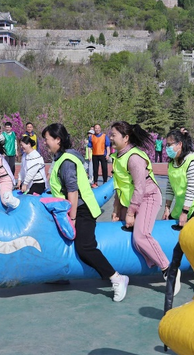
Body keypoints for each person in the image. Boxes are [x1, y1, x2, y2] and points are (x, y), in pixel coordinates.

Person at [42, 123, 129, 301]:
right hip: (69, 209)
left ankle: (117, 278)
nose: (45, 142)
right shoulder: (60, 158)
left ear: (58, 140)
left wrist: (72, 219)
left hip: (82, 210)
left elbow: (73, 191)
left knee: (84, 247)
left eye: (47, 139)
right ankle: (60, 275)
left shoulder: (66, 161)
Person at [110, 121, 176, 288]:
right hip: (132, 199)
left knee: (140, 236)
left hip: (148, 197)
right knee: (123, 232)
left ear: (125, 138)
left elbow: (139, 188)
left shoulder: (134, 158)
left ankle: (168, 269)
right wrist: (116, 210)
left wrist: (131, 213)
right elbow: (119, 185)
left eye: (113, 135)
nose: (110, 138)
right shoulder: (118, 157)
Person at [163, 128, 194, 228]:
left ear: (179, 144)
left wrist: (184, 213)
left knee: (192, 233)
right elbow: (170, 187)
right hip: (183, 204)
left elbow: (191, 190)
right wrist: (167, 208)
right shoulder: (172, 163)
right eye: (166, 145)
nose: (167, 148)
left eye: (170, 145)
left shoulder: (193, 161)